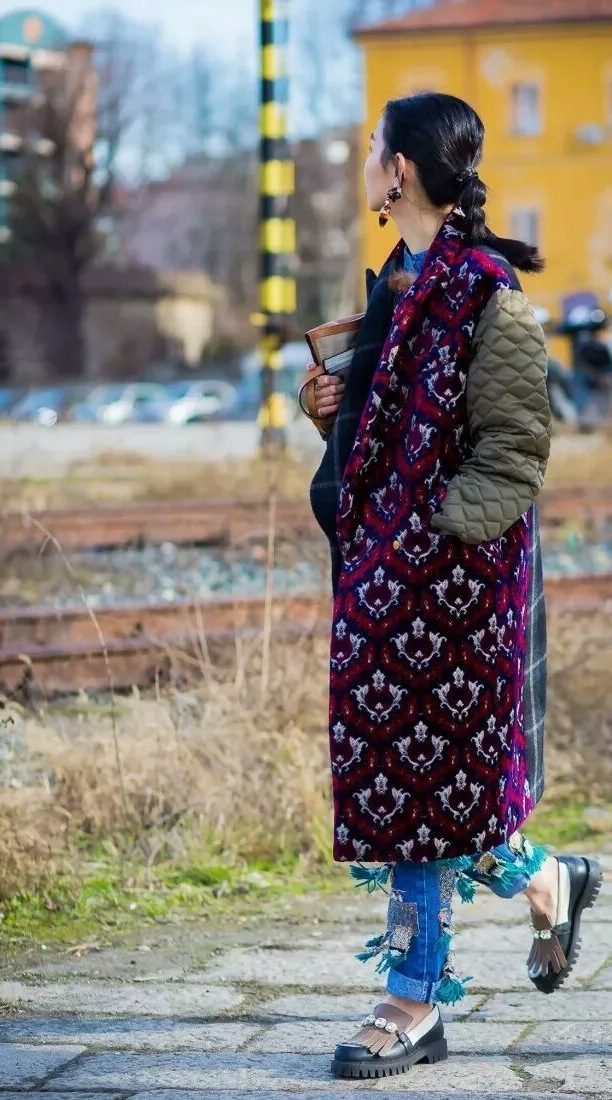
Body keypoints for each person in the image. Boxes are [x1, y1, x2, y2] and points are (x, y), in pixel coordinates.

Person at [306, 93, 603, 1080]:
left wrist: (427, 544)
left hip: (453, 597)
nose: (362, 164)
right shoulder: (398, 286)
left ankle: (411, 1000)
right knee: (419, 796)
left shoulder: (484, 294)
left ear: (401, 172)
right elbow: (390, 451)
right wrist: (333, 419)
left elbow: (514, 454)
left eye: (370, 151)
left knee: (426, 802)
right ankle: (551, 877)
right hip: (391, 592)